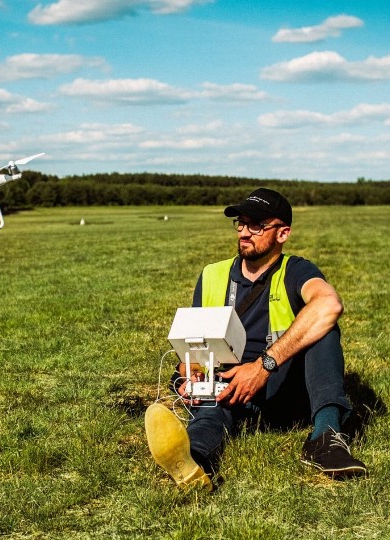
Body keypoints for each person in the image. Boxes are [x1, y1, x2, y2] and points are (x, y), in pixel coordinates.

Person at [145, 188, 366, 490]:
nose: (244, 233)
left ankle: (325, 438)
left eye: (257, 225)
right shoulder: (212, 275)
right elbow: (193, 346)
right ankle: (194, 462)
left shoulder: (296, 270)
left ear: (283, 234)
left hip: (284, 388)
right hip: (231, 388)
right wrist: (191, 377)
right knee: (210, 413)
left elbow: (330, 304)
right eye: (241, 223)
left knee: (322, 327)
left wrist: (263, 366)